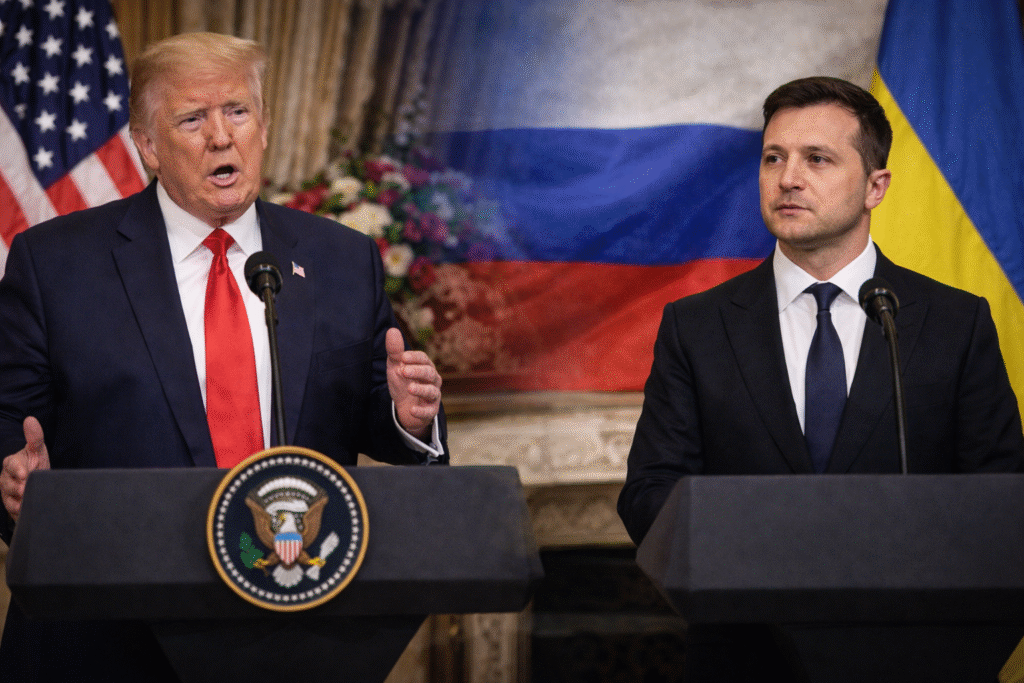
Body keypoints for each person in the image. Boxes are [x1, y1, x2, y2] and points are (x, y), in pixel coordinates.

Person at [0, 32, 446, 681]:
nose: (220, 136)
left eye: (236, 111)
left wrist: (409, 414)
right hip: (105, 637)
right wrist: (13, 483)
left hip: (292, 631)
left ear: (263, 127)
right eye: (191, 118)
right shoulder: (56, 263)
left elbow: (378, 420)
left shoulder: (340, 259)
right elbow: (11, 425)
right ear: (148, 145)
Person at [618, 76, 1024, 681]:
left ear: (875, 187)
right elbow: (650, 494)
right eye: (773, 158)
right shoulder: (696, 326)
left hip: (913, 660)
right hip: (746, 659)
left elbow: (1003, 504)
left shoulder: (954, 322)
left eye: (818, 159)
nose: (787, 178)